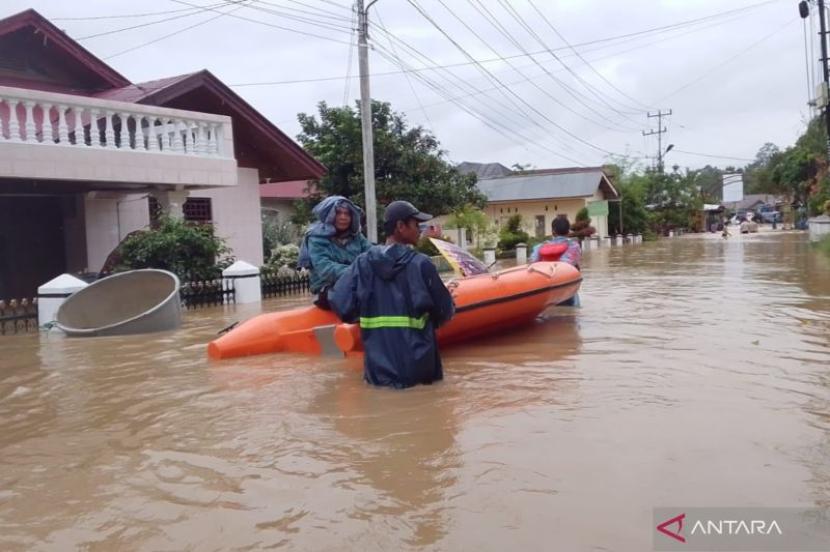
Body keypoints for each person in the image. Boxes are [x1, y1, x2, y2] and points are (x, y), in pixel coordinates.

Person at [330, 201, 455, 389]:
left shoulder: (362, 264)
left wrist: (367, 312)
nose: (419, 229)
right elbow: (445, 312)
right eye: (415, 224)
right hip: (418, 371)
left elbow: (340, 303)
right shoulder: (422, 265)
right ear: (400, 226)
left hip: (377, 372)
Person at [298, 195, 372, 310]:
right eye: (338, 213)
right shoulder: (316, 238)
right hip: (326, 290)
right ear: (330, 215)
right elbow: (325, 268)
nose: (343, 217)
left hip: (355, 285)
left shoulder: (357, 237)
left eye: (347, 214)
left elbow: (371, 256)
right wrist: (357, 271)